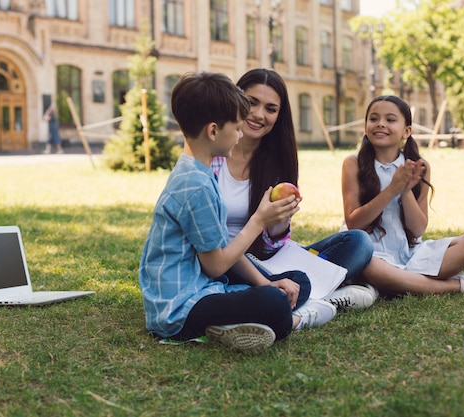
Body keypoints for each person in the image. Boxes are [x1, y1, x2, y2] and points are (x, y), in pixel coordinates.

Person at [138, 71, 335, 354]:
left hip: (201, 291)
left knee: (287, 287)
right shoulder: (195, 185)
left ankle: (231, 324)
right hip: (177, 309)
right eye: (237, 128)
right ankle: (294, 320)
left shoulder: (200, 173)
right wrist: (259, 221)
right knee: (274, 303)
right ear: (214, 131)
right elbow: (216, 265)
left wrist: (267, 282)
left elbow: (222, 249)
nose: (241, 134)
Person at [211, 68, 378, 311]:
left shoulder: (276, 163)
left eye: (271, 109)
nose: (259, 115)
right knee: (295, 281)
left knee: (359, 242)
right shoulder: (211, 154)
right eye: (251, 103)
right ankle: (318, 299)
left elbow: (271, 247)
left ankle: (287, 294)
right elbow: (206, 239)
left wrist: (278, 222)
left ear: (279, 115)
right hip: (223, 259)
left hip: (267, 260)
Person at [341, 95, 464, 296]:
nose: (380, 124)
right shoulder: (353, 163)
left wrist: (405, 191)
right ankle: (460, 285)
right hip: (370, 253)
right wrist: (392, 190)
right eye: (373, 119)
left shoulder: (419, 166)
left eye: (390, 120)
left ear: (407, 131)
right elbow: (354, 224)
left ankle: (398, 283)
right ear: (365, 126)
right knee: (367, 265)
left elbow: (418, 229)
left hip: (410, 252)